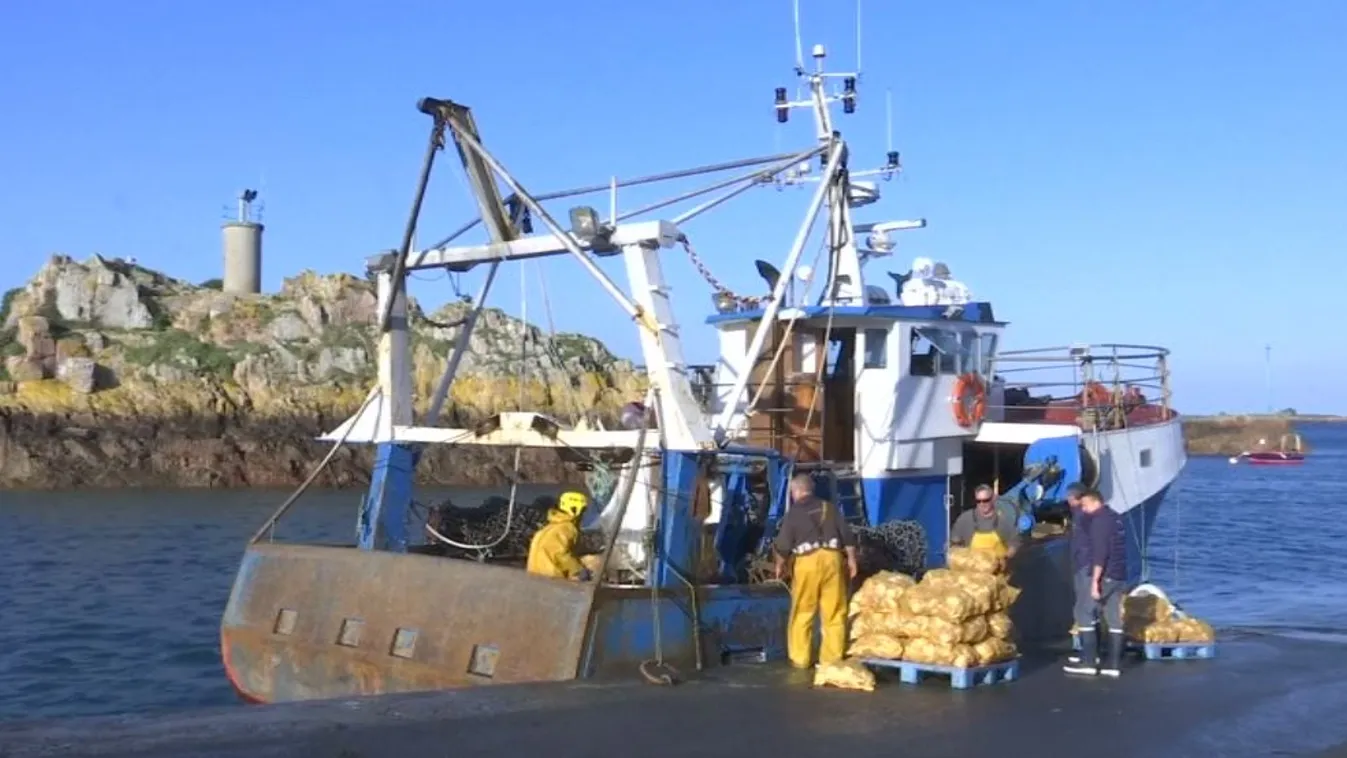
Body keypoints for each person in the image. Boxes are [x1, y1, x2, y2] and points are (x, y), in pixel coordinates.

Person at [772, 474, 859, 670]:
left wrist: (779, 565)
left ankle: (801, 658)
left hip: (807, 561)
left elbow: (783, 546)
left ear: (796, 491)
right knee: (835, 610)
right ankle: (831, 659)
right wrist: (852, 560)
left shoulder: (793, 514)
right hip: (833, 559)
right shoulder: (830, 508)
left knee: (803, 611)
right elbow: (847, 536)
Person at [1064, 488, 1128, 677]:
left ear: (1094, 502)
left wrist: (1095, 582)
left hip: (1105, 574)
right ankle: (1114, 666)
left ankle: (1089, 662)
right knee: (1113, 616)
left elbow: (1100, 554)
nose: (1082, 509)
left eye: (1084, 505)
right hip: (1119, 574)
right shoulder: (1114, 517)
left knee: (1085, 611)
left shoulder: (1099, 522)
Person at [526, 491, 593, 581]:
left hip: (534, 578)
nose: (583, 515)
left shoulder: (549, 528)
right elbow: (560, 554)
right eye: (583, 511)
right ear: (574, 509)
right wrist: (578, 570)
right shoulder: (566, 528)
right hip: (552, 581)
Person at [950, 484, 1021, 559]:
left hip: (998, 568)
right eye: (978, 501)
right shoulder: (965, 519)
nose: (982, 504)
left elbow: (1014, 543)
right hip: (972, 568)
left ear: (993, 499)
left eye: (986, 500)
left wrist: (1005, 558)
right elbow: (955, 542)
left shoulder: (1003, 520)